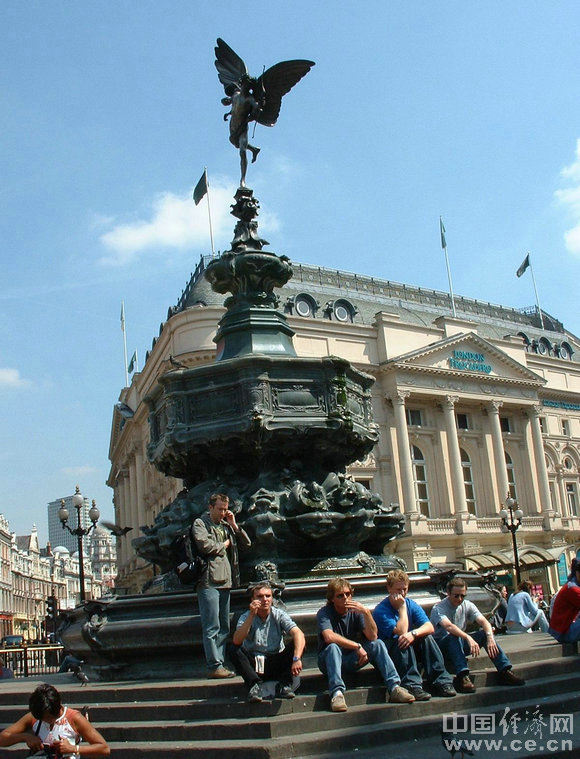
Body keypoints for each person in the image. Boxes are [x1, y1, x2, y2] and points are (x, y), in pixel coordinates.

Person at [317, 577, 415, 712]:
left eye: (348, 594)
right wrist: (357, 646)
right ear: (332, 598)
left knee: (378, 644)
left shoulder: (356, 611)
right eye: (340, 595)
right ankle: (337, 694)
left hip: (352, 659)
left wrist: (367, 613)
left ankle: (394, 687)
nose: (345, 598)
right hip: (329, 661)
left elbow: (373, 636)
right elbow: (329, 637)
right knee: (333, 647)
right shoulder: (324, 613)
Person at [430, 577, 525, 693]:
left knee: (484, 634)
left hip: (459, 644)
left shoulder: (467, 605)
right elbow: (449, 627)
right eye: (456, 596)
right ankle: (462, 675)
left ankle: (504, 670)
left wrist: (490, 638)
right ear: (448, 593)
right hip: (442, 647)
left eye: (463, 596)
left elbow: (484, 621)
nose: (460, 599)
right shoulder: (438, 608)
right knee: (453, 636)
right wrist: (467, 637)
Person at [193, 493, 251, 678]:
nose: (223, 512)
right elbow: (203, 545)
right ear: (210, 507)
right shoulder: (200, 524)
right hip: (208, 581)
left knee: (224, 626)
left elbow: (246, 544)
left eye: (226, 509)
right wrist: (223, 545)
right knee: (212, 625)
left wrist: (234, 524)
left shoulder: (226, 525)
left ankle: (220, 663)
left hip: (226, 581)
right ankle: (214, 665)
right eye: (220, 509)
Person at [373, 569, 456, 700]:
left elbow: (429, 627)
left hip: (408, 649)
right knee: (401, 639)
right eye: (398, 589)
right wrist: (402, 608)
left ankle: (442, 681)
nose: (402, 593)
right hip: (391, 653)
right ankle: (411, 685)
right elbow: (401, 631)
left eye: (405, 589)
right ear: (389, 588)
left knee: (426, 637)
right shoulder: (381, 610)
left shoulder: (411, 604)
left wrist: (414, 633)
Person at [230, 581, 306, 702]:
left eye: (268, 596)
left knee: (298, 644)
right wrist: (251, 616)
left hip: (275, 661)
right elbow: (237, 640)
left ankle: (284, 684)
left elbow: (299, 634)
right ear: (252, 600)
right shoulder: (245, 617)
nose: (264, 599)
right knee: (234, 649)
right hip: (255, 665)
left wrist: (296, 659)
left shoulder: (279, 615)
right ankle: (254, 686)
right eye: (260, 596)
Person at [0, 683, 110, 756]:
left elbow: (104, 748)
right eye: (41, 718)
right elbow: (2, 738)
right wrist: (25, 737)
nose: (45, 721)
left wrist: (73, 749)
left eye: (48, 718)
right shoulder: (34, 717)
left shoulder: (74, 718)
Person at [549, 558, 580, 643]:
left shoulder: (572, 585)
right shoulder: (573, 588)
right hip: (563, 632)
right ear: (577, 573)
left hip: (563, 629)